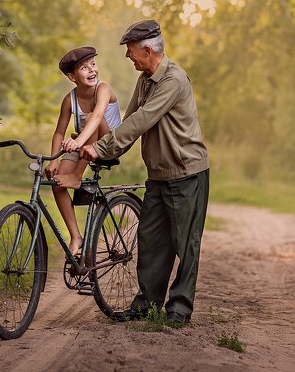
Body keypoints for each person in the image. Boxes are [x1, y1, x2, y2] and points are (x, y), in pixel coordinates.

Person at [80, 20, 210, 326]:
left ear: (148, 50)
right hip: (159, 176)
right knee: (151, 241)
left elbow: (143, 120)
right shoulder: (146, 80)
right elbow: (129, 122)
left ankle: (179, 307)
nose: (128, 57)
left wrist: (102, 148)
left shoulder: (173, 80)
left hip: (186, 175)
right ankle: (147, 304)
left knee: (185, 243)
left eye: (131, 51)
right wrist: (104, 152)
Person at [44, 46, 122, 255]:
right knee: (57, 182)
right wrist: (52, 160)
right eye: (84, 68)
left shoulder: (103, 89)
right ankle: (76, 237)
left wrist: (78, 142)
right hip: (85, 144)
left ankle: (77, 176)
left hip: (109, 144)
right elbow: (59, 133)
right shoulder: (69, 100)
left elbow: (96, 117)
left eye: (93, 65)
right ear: (72, 77)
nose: (91, 70)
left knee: (89, 119)